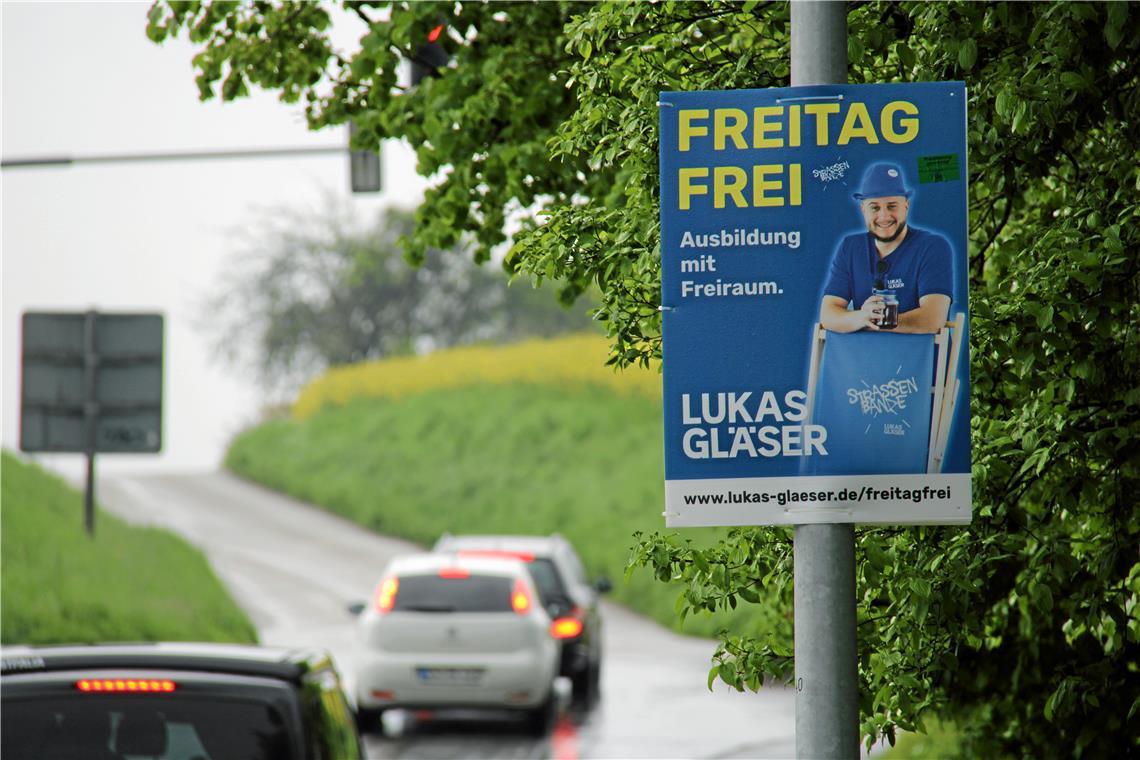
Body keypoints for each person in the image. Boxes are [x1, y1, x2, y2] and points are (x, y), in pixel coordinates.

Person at [819, 162, 952, 334]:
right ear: (863, 210)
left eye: (891, 206)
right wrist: (862, 317)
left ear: (906, 206)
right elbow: (828, 314)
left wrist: (880, 319)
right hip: (865, 358)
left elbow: (932, 319)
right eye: (874, 207)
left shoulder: (932, 247)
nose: (883, 216)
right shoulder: (850, 247)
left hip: (919, 358)